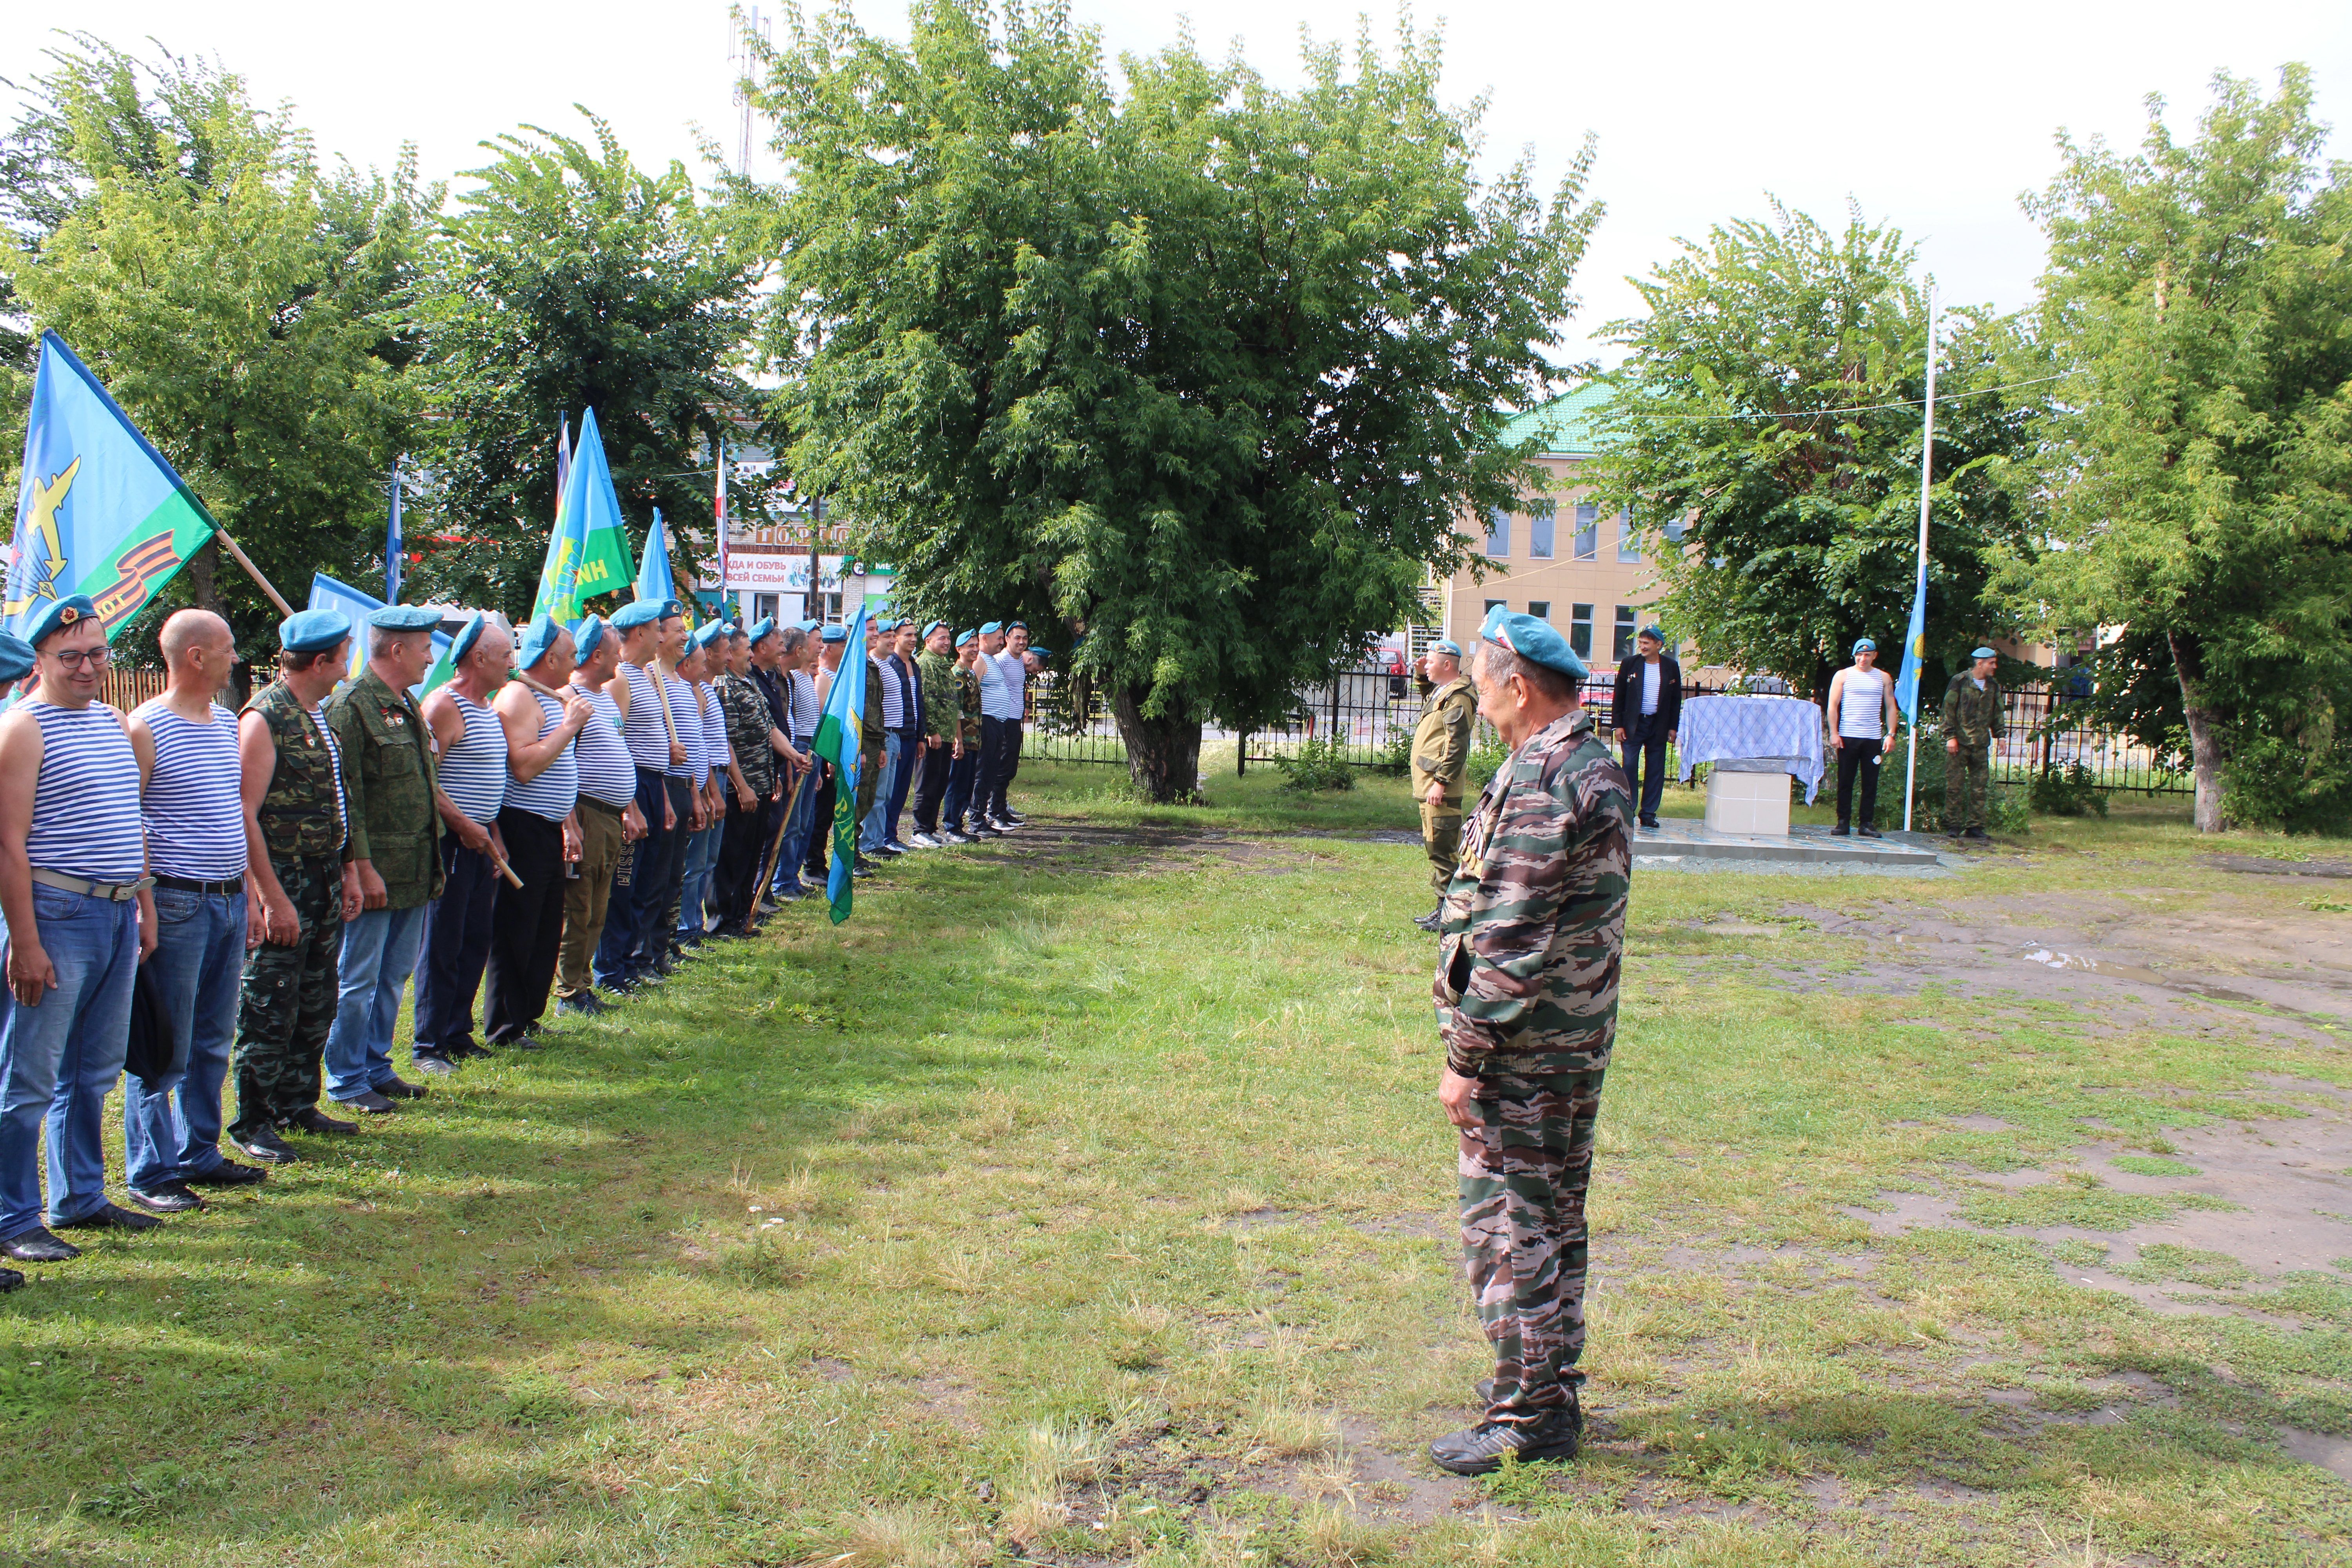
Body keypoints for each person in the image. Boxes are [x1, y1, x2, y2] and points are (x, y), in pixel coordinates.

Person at [1426, 606, 1632, 1477]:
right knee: (1548, 1218)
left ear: (1518, 680)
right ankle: (1544, 1381)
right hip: (1563, 1042)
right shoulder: (1568, 763)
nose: (1475, 686)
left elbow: (1512, 937)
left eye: (1480, 671)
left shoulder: (1552, 775)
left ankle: (1531, 1413)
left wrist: (1464, 1056)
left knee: (1512, 1226)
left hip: (1527, 1049)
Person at [0, 596, 160, 1267]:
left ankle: (81, 1198)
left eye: (98, 653)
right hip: (56, 915)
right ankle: (13, 1217)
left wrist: (144, 905)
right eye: (71, 656)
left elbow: (133, 819)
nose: (89, 666)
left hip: (118, 914)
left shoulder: (112, 722)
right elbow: (8, 843)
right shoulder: (21, 728)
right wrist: (25, 941)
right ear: (40, 659)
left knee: (92, 1072)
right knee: (30, 1077)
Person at [122, 610, 265, 1211]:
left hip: (229, 897)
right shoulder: (145, 727)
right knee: (166, 1042)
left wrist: (254, 893)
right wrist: (145, 904)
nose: (237, 658)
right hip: (178, 902)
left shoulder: (225, 721)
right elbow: (130, 823)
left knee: (212, 1037)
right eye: (228, 649)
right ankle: (152, 1171)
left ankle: (198, 1151)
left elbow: (232, 810)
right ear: (197, 657)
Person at [229, 609, 364, 1159]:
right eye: (343, 653)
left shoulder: (317, 716)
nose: (348, 661)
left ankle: (296, 1101)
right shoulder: (265, 717)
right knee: (271, 1000)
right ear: (320, 660)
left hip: (324, 875)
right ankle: (253, 1119)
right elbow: (246, 813)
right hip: (284, 878)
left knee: (316, 995)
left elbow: (336, 803)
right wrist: (271, 897)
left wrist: (349, 869)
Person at [321, 605, 443, 1111]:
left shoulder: (405, 701)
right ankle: (347, 1077)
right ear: (397, 650)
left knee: (393, 976)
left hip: (414, 867)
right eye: (423, 648)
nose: (430, 657)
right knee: (358, 979)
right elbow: (344, 797)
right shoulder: (350, 706)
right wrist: (361, 865)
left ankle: (375, 1064)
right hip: (375, 872)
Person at [486, 615, 592, 1048]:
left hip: (549, 827)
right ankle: (504, 1025)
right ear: (550, 657)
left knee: (547, 927)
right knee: (518, 927)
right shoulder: (517, 696)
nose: (576, 660)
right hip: (522, 824)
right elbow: (525, 767)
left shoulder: (552, 696)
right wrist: (569, 727)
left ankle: (528, 1015)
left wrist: (568, 820)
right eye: (570, 655)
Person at [413, 614, 512, 1073]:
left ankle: (457, 1032)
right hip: (452, 843)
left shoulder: (487, 706)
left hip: (480, 841)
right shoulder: (443, 706)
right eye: (507, 654)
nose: (512, 663)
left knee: (475, 939)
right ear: (479, 657)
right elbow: (428, 782)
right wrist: (464, 826)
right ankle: (428, 1044)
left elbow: (487, 780)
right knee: (442, 943)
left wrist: (492, 832)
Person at [592, 597, 685, 993]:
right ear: (640, 633)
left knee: (647, 881)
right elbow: (617, 744)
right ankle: (610, 970)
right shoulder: (621, 679)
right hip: (632, 787)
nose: (663, 634)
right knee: (624, 885)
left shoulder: (647, 676)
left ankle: (630, 963)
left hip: (652, 784)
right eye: (656, 628)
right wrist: (631, 804)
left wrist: (661, 795)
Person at [555, 614, 646, 1017]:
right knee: (579, 908)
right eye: (614, 651)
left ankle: (583, 986)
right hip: (587, 816)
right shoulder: (568, 699)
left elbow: (618, 751)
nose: (620, 657)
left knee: (599, 907)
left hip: (611, 817)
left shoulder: (606, 697)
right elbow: (563, 766)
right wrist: (570, 823)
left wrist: (628, 807)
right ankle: (567, 992)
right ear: (596, 656)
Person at [713, 626, 782, 935]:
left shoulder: (750, 683)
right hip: (740, 787)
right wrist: (741, 786)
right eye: (745, 651)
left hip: (762, 781)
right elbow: (725, 742)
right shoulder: (725, 687)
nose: (751, 656)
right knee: (733, 856)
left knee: (752, 854)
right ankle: (725, 919)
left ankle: (744, 912)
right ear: (730, 656)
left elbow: (770, 730)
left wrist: (791, 759)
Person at [1408, 639, 1477, 931]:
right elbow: (1432, 708)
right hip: (1430, 785)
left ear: (1447, 664)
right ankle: (1442, 910)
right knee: (1436, 848)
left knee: (1443, 850)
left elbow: (1456, 745)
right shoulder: (1445, 692)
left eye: (1431, 661)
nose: (1427, 663)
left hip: (1440, 789)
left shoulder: (1459, 696)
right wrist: (1422, 676)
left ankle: (1449, 914)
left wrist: (1441, 782)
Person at [1824, 637, 1899, 838]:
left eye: (1867, 655)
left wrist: (1891, 734)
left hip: (1872, 738)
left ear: (1875, 656)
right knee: (1845, 781)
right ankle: (1843, 822)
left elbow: (1891, 706)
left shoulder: (1884, 678)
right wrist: (1834, 732)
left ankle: (1866, 823)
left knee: (1870, 783)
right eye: (1859, 655)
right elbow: (1833, 705)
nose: (1863, 659)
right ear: (1854, 656)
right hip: (1848, 737)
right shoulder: (1843, 675)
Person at [1610, 624, 1681, 831]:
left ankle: (1649, 813)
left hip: (1658, 725)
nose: (1642, 647)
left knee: (1656, 769)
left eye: (1647, 643)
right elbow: (1619, 697)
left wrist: (1673, 727)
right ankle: (1628, 809)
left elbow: (1676, 699)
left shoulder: (1671, 667)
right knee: (1630, 766)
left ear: (1659, 645)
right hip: (1634, 725)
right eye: (1641, 643)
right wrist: (1618, 726)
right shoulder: (1629, 664)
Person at [798, 624, 850, 888]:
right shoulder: (822, 678)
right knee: (818, 813)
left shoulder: (833, 676)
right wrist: (829, 755)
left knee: (826, 812)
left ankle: (818, 860)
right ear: (830, 648)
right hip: (825, 753)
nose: (846, 649)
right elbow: (822, 722)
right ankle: (813, 863)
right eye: (842, 645)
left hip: (835, 753)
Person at [1942, 646, 2003, 842]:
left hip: (1980, 743)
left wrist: (2000, 735)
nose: (1995, 666)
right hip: (1960, 742)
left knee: (1979, 787)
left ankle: (1975, 827)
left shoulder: (1993, 685)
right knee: (1955, 786)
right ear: (1980, 663)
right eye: (1991, 663)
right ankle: (1953, 825)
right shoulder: (1960, 681)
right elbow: (1948, 710)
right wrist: (1949, 736)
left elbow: (1997, 711)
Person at [858, 620, 906, 859]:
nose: (888, 640)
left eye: (889, 635)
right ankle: (869, 843)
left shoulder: (885, 665)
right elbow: (874, 708)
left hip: (892, 735)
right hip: (881, 735)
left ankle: (878, 841)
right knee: (876, 794)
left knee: (885, 794)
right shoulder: (871, 665)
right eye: (883, 635)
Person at [908, 621, 958, 846]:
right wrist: (933, 731)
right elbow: (926, 700)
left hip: (946, 735)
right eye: (941, 638)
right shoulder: (926, 664)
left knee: (938, 785)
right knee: (927, 784)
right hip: (935, 736)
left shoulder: (942, 664)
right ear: (928, 641)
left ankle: (929, 828)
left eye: (948, 638)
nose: (947, 642)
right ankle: (919, 830)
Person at [882, 619, 925, 852]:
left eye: (915, 635)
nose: (913, 639)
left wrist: (921, 737)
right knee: (891, 788)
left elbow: (919, 703)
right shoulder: (891, 664)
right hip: (897, 735)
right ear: (896, 638)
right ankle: (885, 836)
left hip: (912, 735)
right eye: (907, 635)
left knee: (901, 791)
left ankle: (893, 834)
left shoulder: (914, 665)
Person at [941, 630, 987, 840]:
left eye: (977, 645)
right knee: (957, 784)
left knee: (968, 785)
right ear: (959, 650)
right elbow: (956, 710)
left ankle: (958, 825)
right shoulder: (958, 674)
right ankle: (951, 826)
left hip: (973, 740)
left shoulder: (970, 674)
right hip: (963, 740)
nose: (975, 649)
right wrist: (958, 740)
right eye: (970, 646)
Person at [990, 622, 1031, 826]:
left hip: (1015, 720)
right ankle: (993, 812)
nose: (1022, 642)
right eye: (1017, 638)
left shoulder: (1017, 661)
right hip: (1003, 720)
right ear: (1007, 640)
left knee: (1010, 768)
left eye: (1025, 638)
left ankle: (1001, 808)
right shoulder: (1001, 660)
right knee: (1001, 767)